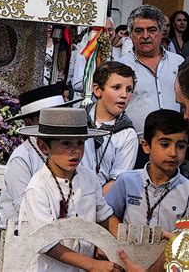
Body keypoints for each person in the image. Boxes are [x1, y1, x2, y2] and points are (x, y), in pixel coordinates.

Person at [18, 108, 120, 271]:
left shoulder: (89, 178)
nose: (76, 151)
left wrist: (120, 247)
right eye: (66, 143)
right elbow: (47, 243)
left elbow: (105, 215)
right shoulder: (38, 188)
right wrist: (92, 264)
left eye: (80, 143)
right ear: (44, 147)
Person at [0, 83, 82, 231]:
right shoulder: (22, 158)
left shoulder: (72, 152)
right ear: (29, 123)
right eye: (49, 118)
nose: (57, 124)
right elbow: (25, 208)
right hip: (24, 232)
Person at [117, 5, 184, 169]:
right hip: (136, 148)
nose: (145, 36)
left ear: (162, 33)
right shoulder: (119, 68)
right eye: (139, 31)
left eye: (152, 30)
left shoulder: (179, 63)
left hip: (173, 148)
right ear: (131, 35)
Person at [105, 109, 189, 234]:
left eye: (181, 146)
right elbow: (106, 215)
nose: (173, 153)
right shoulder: (126, 181)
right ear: (146, 146)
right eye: (165, 145)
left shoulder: (187, 191)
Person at [81, 62, 138, 194]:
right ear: (97, 90)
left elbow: (117, 181)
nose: (124, 95)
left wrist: (92, 202)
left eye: (129, 89)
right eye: (116, 87)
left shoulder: (127, 134)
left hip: (103, 203)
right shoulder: (77, 119)